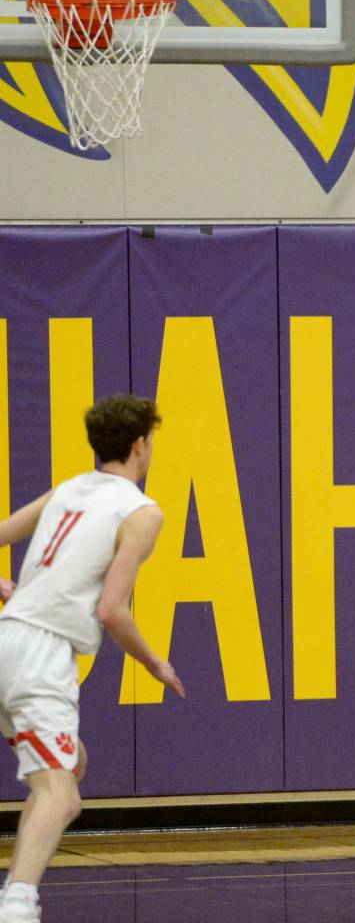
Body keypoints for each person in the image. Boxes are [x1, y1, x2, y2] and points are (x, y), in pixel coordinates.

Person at [0, 394, 185, 923]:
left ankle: (17, 893)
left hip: (7, 640)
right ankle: (18, 904)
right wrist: (155, 663)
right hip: (41, 652)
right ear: (140, 444)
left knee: (69, 775)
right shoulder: (142, 511)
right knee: (59, 795)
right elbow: (111, 610)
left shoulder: (68, 489)